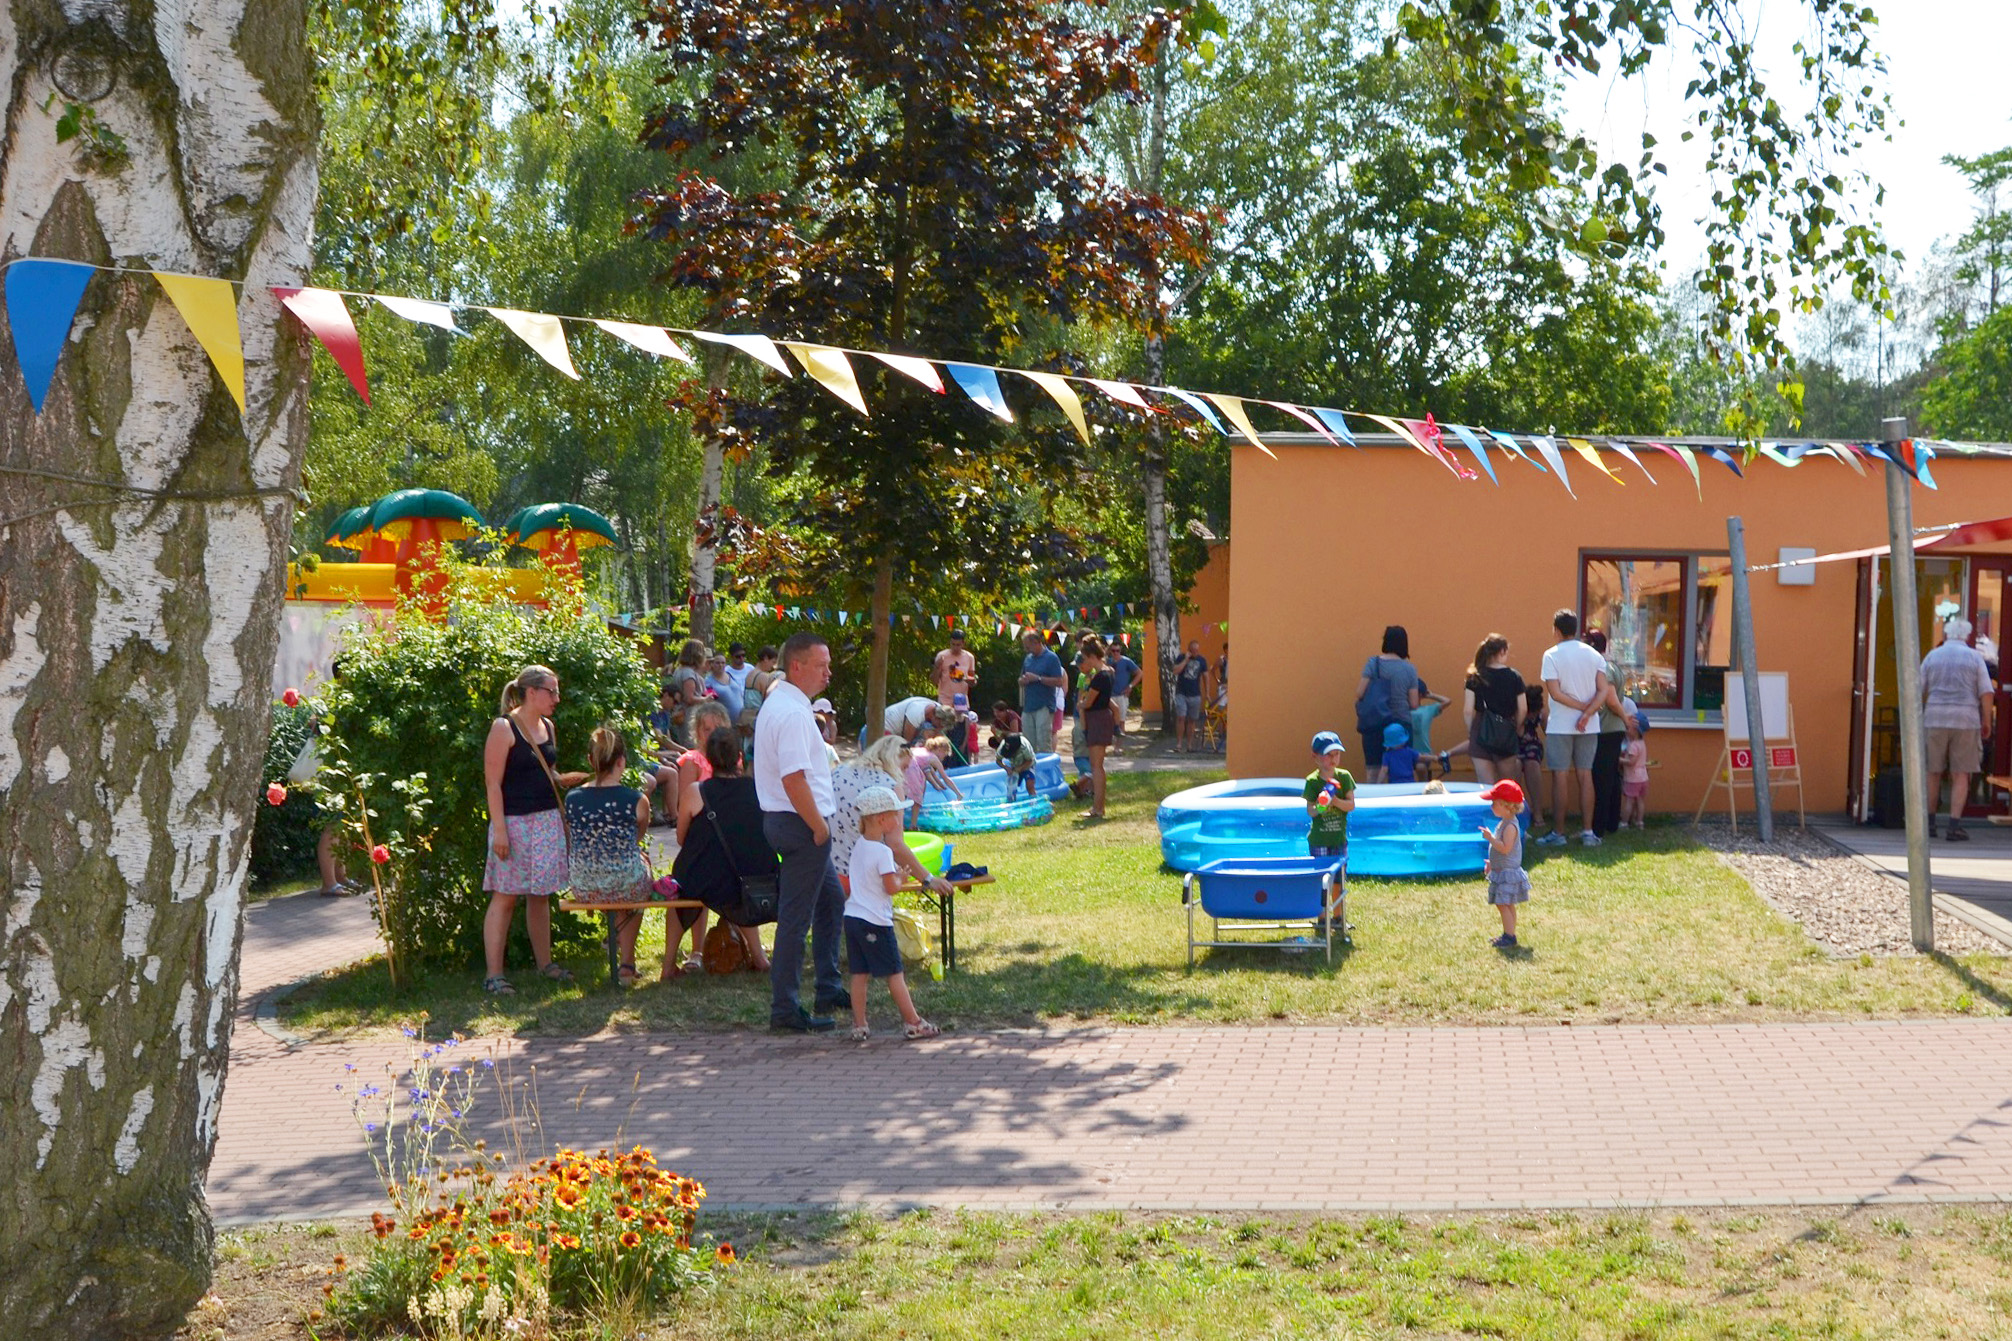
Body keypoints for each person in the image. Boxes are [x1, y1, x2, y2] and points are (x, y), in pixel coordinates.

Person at [755, 632, 847, 1032]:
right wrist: (819, 827)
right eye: (821, 665)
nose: (828, 673)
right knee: (796, 919)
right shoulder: (791, 712)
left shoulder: (786, 703)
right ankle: (785, 1009)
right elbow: (794, 779)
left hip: (792, 822)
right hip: (801, 825)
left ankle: (827, 985)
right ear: (797, 666)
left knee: (830, 902)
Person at [481, 665, 590, 994]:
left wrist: (576, 778)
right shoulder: (504, 727)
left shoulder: (549, 727)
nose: (557, 698)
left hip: (546, 822)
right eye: (552, 691)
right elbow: (493, 783)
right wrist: (499, 830)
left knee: (541, 896)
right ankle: (494, 976)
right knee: (505, 897)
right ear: (531, 692)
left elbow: (549, 774)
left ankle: (546, 965)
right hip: (513, 824)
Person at [671, 726, 773, 976]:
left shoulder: (697, 792)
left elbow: (682, 837)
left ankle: (667, 966)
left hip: (705, 878)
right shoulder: (756, 788)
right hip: (750, 876)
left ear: (707, 759)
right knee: (736, 883)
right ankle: (759, 957)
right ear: (739, 756)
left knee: (675, 892)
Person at [843, 785, 941, 1042]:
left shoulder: (860, 847)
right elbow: (890, 888)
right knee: (894, 973)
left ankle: (859, 1024)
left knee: (859, 974)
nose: (899, 819)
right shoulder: (883, 852)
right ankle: (913, 1022)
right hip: (875, 920)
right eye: (895, 815)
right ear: (881, 819)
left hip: (852, 916)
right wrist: (901, 878)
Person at [565, 726, 657, 986]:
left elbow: (573, 839)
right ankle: (627, 963)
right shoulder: (636, 799)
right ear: (622, 761)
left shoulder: (573, 798)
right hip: (626, 885)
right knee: (638, 870)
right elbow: (636, 838)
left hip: (585, 887)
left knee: (625, 872)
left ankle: (615, 940)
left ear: (590, 761)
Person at [1538, 609, 1609, 848]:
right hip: (1589, 726)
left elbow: (1555, 694)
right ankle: (1588, 832)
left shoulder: (1551, 655)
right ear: (1576, 629)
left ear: (1556, 630)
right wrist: (1587, 713)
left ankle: (1559, 833)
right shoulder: (1593, 655)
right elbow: (1603, 691)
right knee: (1585, 775)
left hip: (1560, 724)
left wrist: (1581, 710)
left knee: (1560, 776)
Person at [1923, 617, 1996, 841]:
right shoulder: (1975, 657)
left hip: (1934, 717)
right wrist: (1986, 721)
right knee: (1961, 773)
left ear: (1946, 635)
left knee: (1932, 771)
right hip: (1965, 719)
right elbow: (1986, 692)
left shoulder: (1932, 656)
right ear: (1966, 636)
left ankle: (1930, 824)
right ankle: (1954, 826)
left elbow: (1919, 687)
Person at [1354, 626, 1422, 776]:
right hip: (1401, 724)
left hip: (1375, 722)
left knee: (1373, 770)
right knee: (1402, 770)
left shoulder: (1373, 663)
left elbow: (1359, 693)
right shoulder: (1410, 669)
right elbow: (1414, 704)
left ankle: (1374, 798)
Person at [1462, 634, 1526, 785]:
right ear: (1503, 651)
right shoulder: (1514, 676)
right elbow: (1523, 709)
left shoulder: (1474, 677)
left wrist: (1473, 732)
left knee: (1486, 787)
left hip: (1481, 728)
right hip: (1506, 731)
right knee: (1507, 787)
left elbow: (1468, 711)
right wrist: (1516, 727)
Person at [1583, 629, 1629, 837]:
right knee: (1611, 778)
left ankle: (1598, 827)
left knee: (1601, 779)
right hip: (1613, 729)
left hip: (1606, 729)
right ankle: (1611, 823)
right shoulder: (1612, 666)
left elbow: (1610, 699)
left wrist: (1626, 718)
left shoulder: (1605, 668)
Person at [1477, 779, 1529, 949]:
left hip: (1508, 872)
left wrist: (1490, 838)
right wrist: (1492, 862)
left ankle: (1509, 936)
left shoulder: (1510, 827)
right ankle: (1510, 933)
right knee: (1507, 903)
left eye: (1494, 803)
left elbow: (1506, 849)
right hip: (1502, 870)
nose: (1492, 806)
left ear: (1506, 805)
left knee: (1502, 903)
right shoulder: (1504, 823)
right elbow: (1500, 851)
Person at [1077, 636, 1116, 819]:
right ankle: (1098, 807)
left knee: (1096, 766)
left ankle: (1098, 809)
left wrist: (1081, 704)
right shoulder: (1110, 671)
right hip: (1102, 718)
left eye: (1085, 658)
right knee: (1097, 766)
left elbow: (1090, 702)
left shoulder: (1100, 676)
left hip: (1098, 719)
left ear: (1092, 656)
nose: (1085, 662)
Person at [1305, 731, 1356, 864]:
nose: (1333, 758)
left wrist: (1335, 801)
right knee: (1321, 872)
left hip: (1338, 840)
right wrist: (1321, 806)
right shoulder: (1312, 781)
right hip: (1319, 840)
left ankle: (1338, 886)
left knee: (1340, 873)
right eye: (1328, 754)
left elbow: (1351, 805)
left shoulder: (1344, 777)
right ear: (1315, 757)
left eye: (1337, 754)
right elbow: (1310, 810)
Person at [1018, 629, 1066, 754]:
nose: (1026, 650)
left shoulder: (1051, 658)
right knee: (1027, 744)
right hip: (1028, 706)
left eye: (1028, 647)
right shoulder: (1028, 658)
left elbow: (1059, 681)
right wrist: (1022, 680)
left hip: (1044, 706)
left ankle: (1047, 771)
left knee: (1043, 742)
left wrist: (1038, 678)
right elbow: (1021, 677)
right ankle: (1030, 771)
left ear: (1036, 642)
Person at [904, 736, 961, 824]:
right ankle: (913, 824)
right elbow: (945, 778)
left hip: (902, 767)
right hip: (911, 771)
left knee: (903, 795)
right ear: (940, 750)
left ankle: (902, 819)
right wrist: (958, 793)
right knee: (917, 798)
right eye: (945, 754)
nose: (944, 758)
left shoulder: (922, 751)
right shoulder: (933, 758)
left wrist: (938, 785)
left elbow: (930, 773)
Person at [1171, 639, 1210, 753]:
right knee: (1181, 717)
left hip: (1195, 694)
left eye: (1196, 650)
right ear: (1188, 650)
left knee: (1192, 720)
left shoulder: (1202, 660)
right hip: (1181, 693)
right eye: (1192, 650)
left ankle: (1189, 745)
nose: (1195, 653)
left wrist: (1207, 693)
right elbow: (1175, 671)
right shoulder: (1181, 657)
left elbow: (1206, 677)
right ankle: (1178, 744)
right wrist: (1185, 660)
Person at [1517, 684, 1547, 822]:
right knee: (1515, 765)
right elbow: (1518, 732)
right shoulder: (1517, 710)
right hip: (1514, 743)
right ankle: (1515, 810)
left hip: (1531, 744)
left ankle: (1537, 812)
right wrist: (1521, 719)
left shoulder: (1541, 713)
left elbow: (1548, 731)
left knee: (1532, 764)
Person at [667, 639, 707, 743]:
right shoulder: (688, 674)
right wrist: (705, 699)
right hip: (689, 716)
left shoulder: (679, 670)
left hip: (681, 713)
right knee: (691, 744)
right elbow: (689, 698)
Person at [1619, 711, 1651, 830]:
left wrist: (1619, 759)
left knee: (1629, 801)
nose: (1626, 730)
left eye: (1628, 728)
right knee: (1640, 801)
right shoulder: (1642, 743)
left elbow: (1631, 762)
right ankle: (1639, 822)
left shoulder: (1633, 746)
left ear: (1635, 731)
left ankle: (1624, 822)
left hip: (1633, 778)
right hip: (1643, 777)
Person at [932, 629, 977, 709]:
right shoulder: (942, 656)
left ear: (963, 643)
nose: (955, 647)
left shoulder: (969, 657)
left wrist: (970, 680)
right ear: (950, 642)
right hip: (945, 700)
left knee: (961, 721)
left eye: (958, 645)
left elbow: (973, 681)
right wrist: (936, 666)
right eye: (953, 644)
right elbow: (934, 681)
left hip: (961, 699)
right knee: (946, 720)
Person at [884, 693, 951, 744]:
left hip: (900, 731)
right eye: (939, 726)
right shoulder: (916, 713)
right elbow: (907, 742)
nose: (939, 729)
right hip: (887, 727)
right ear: (937, 718)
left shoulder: (939, 708)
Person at [1106, 643, 1141, 738]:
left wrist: (1130, 686)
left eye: (1118, 651)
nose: (1115, 653)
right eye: (1113, 651)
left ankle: (1118, 747)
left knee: (1121, 721)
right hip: (1109, 695)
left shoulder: (1126, 661)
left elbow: (1139, 673)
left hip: (1122, 695)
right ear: (1110, 651)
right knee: (1109, 721)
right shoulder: (1107, 662)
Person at [704, 651, 744, 725]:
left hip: (741, 722)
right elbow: (710, 704)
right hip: (725, 724)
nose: (721, 665)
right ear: (712, 664)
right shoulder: (709, 682)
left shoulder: (730, 676)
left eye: (723, 663)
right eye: (717, 663)